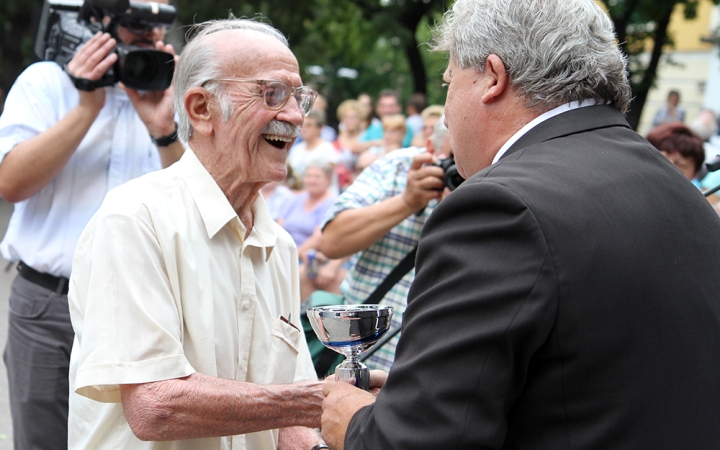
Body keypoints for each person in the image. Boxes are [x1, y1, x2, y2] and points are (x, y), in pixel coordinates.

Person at [320, 0, 720, 449]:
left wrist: (352, 422)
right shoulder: (680, 191)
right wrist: (422, 390)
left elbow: (414, 442)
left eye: (449, 82)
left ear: (493, 77)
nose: (446, 112)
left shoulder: (500, 205)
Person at [67, 18, 329, 449]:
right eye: (273, 94)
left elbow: (288, 417)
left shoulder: (278, 246)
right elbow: (155, 405)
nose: (297, 116)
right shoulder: (135, 218)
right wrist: (321, 401)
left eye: (300, 97)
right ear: (201, 109)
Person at [0, 1, 184, 447]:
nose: (149, 40)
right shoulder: (46, 82)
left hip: (138, 307)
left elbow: (192, 206)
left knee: (125, 441)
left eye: (156, 31)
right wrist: (86, 106)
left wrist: (164, 130)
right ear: (97, 22)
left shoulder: (167, 92)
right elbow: (12, 183)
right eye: (137, 27)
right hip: (49, 305)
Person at [318, 118, 451, 373]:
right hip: (363, 360)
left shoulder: (495, 185)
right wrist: (407, 202)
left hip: (432, 370)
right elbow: (332, 242)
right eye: (452, 159)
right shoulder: (398, 166)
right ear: (432, 150)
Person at [287, 109, 338, 187]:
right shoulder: (296, 149)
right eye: (302, 125)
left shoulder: (327, 149)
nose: (304, 129)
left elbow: (328, 180)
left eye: (309, 125)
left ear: (319, 128)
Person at [352, 90, 412, 154]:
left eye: (391, 106)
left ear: (399, 108)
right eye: (383, 106)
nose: (387, 110)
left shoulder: (405, 127)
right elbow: (355, 148)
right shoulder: (374, 128)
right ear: (377, 108)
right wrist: (376, 143)